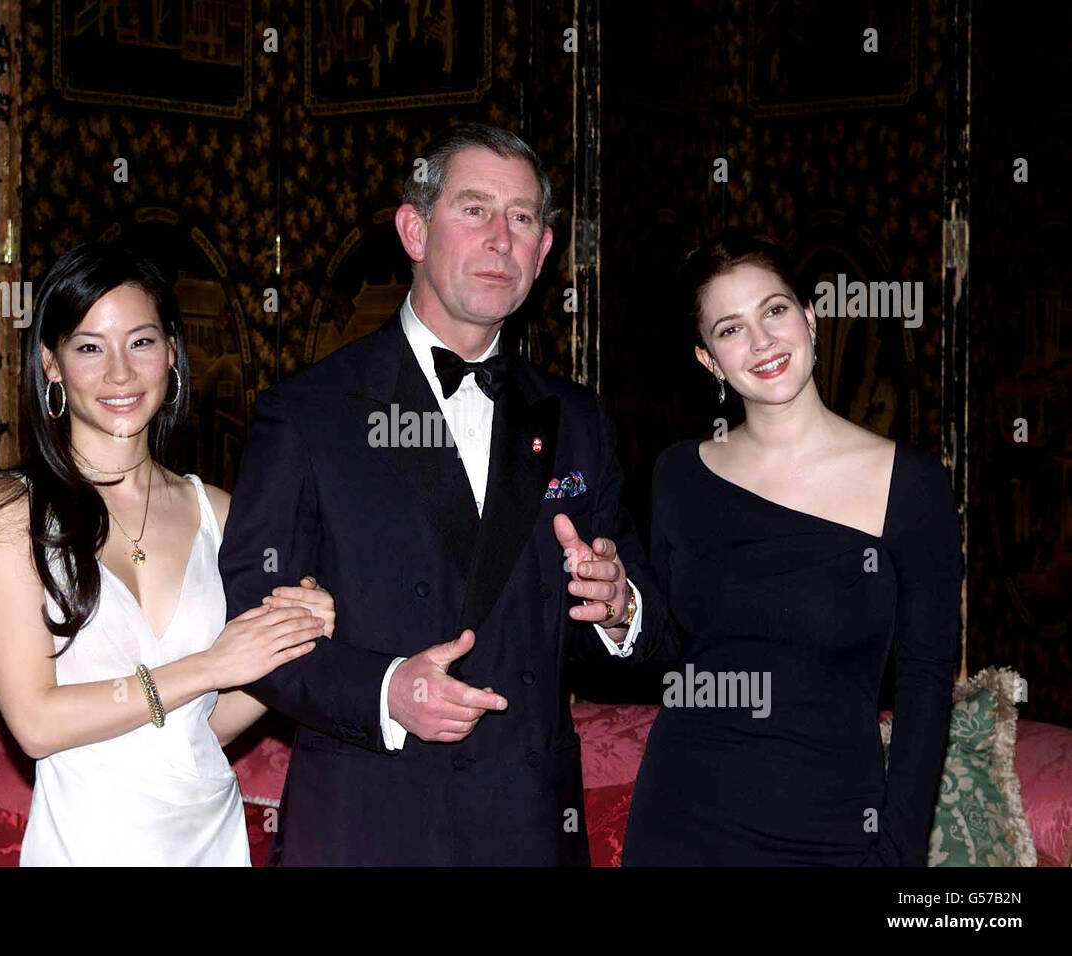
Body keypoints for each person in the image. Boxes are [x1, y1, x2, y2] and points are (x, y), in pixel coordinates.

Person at [218, 123, 678, 865]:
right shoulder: (309, 413)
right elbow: (251, 625)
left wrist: (621, 610)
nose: (501, 238)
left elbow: (643, 650)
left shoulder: (578, 420)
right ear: (414, 229)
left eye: (522, 218)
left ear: (544, 251)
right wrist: (386, 690)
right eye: (474, 209)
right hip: (368, 829)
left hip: (528, 831)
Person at [0, 242, 332, 865]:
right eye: (89, 347)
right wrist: (211, 666)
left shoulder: (219, 513)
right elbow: (34, 722)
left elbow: (196, 729)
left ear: (171, 355)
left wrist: (295, 637)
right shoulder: (9, 514)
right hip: (84, 845)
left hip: (208, 837)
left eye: (140, 342)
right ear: (50, 364)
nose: (120, 374)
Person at [622, 230, 962, 865]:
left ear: (808, 318)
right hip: (682, 817)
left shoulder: (911, 484)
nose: (761, 342)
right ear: (709, 361)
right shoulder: (678, 476)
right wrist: (622, 612)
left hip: (832, 827)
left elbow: (926, 680)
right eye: (730, 329)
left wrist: (899, 851)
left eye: (774, 311)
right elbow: (668, 654)